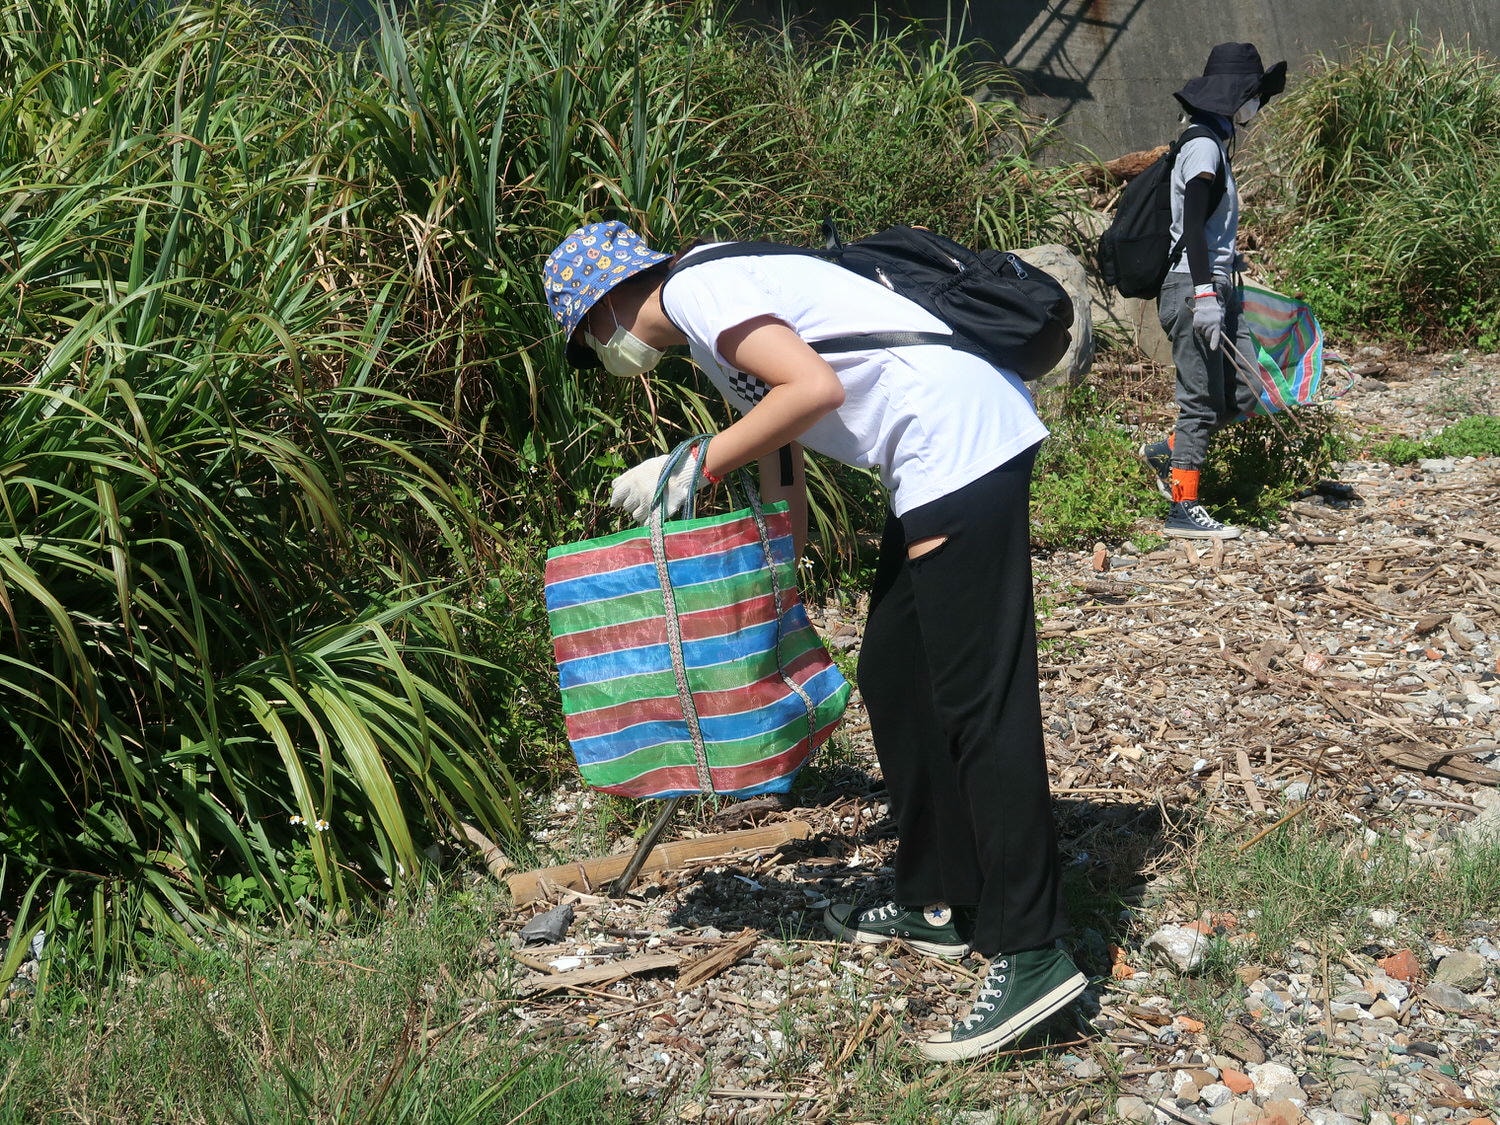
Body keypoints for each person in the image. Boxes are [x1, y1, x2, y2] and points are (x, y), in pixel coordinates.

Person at [542, 220, 1085, 1062]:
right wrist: (776, 573)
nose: (604, 357)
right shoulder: (706, 322)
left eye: (588, 343)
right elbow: (783, 446)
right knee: (897, 674)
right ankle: (936, 895)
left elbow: (814, 388)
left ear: (602, 306)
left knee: (979, 700)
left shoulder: (694, 289)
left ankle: (1033, 951)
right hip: (930, 454)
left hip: (957, 441)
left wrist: (695, 461)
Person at [1140, 42, 1288, 540]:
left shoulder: (1214, 143)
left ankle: (1167, 454)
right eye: (1255, 94)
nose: (1258, 105)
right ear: (1237, 95)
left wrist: (1228, 267)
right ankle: (1184, 506)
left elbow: (1208, 229)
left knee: (1245, 391)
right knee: (1199, 401)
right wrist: (1205, 290)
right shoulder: (1202, 145)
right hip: (1193, 289)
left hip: (1214, 287)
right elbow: (1196, 226)